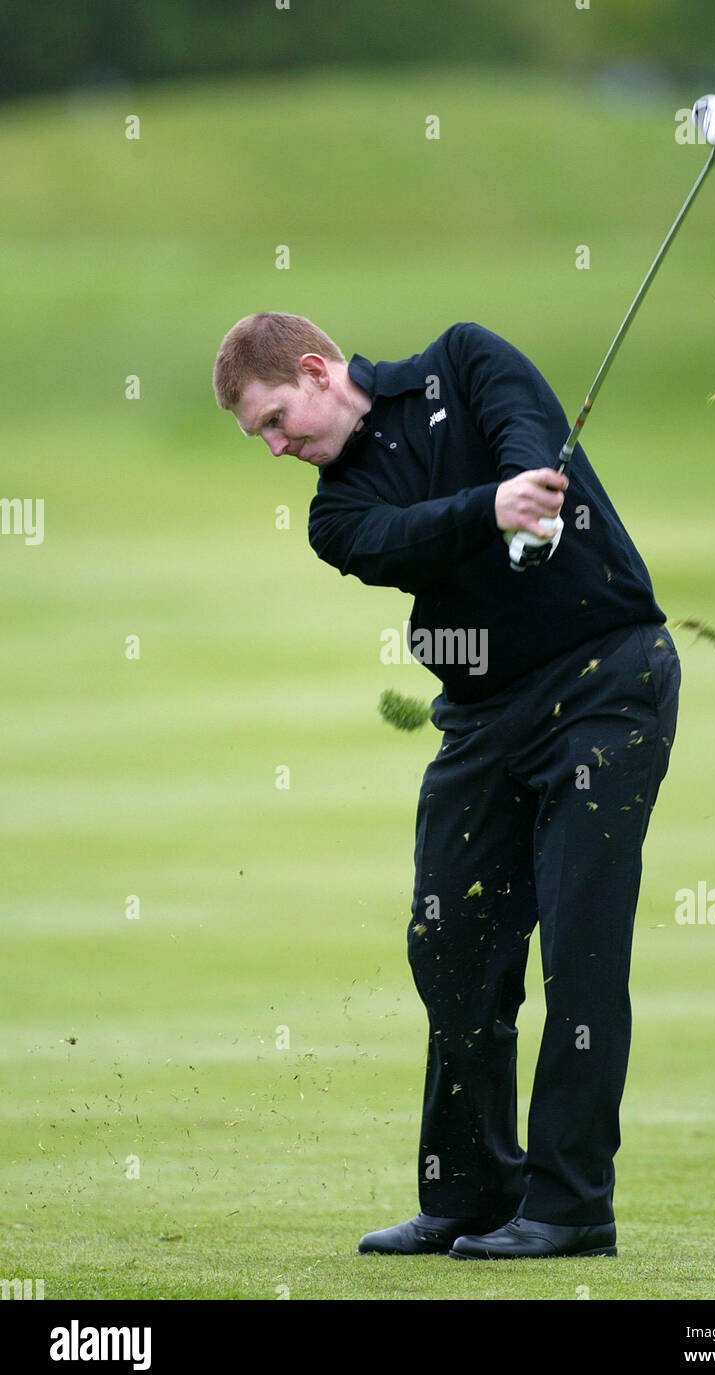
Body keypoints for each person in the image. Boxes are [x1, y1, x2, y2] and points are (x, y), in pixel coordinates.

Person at [213, 312, 681, 1260]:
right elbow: (404, 539)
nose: (275, 447)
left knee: (581, 949)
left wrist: (523, 486)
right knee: (451, 947)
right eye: (260, 436)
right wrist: (491, 511)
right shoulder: (334, 516)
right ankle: (467, 1194)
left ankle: (570, 1207)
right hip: (481, 720)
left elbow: (520, 423)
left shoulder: (459, 361)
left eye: (273, 420)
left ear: (315, 370)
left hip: (606, 682)